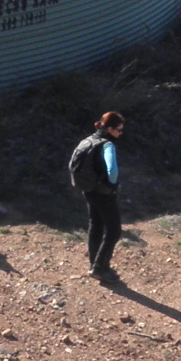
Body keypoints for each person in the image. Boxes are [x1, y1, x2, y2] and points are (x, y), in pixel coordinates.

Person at [68, 111, 128, 282]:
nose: (120, 133)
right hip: (103, 193)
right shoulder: (107, 145)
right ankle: (100, 269)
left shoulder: (87, 141)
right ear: (109, 129)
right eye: (118, 130)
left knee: (96, 226)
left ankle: (94, 264)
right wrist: (113, 185)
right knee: (114, 231)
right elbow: (112, 171)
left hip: (88, 190)